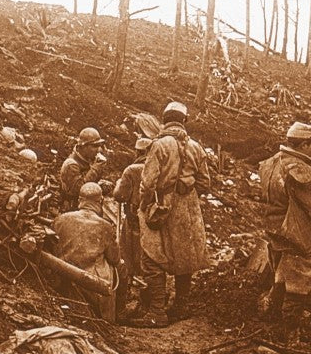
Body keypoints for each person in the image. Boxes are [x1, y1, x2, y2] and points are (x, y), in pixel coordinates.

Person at [135, 101, 213, 325]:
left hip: (163, 206)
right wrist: (186, 188)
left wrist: (144, 205)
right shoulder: (196, 147)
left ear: (165, 119)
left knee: (151, 256)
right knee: (185, 257)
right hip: (189, 208)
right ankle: (180, 307)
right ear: (184, 121)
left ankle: (157, 312)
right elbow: (205, 183)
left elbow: (148, 182)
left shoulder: (159, 145)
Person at [258, 121, 311, 342]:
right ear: (302, 145)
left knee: (281, 273)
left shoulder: (272, 162)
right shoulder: (300, 170)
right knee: (301, 277)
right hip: (295, 233)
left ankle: (270, 318)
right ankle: (289, 333)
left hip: (275, 229)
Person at [50, 182, 120, 320]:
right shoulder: (105, 226)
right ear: (100, 202)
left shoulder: (60, 219)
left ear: (79, 200)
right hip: (93, 285)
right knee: (118, 269)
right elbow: (114, 259)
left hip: (60, 280)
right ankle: (115, 316)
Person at [110, 136, 153, 321]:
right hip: (154, 222)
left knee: (128, 259)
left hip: (134, 220)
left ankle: (127, 299)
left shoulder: (132, 170)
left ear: (138, 152)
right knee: (151, 261)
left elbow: (119, 196)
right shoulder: (161, 169)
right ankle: (149, 301)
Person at [59, 127, 107, 209]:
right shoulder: (71, 165)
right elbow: (80, 190)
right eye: (94, 146)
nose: (98, 150)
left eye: (99, 146)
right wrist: (96, 168)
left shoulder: (87, 160)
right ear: (83, 146)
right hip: (72, 210)